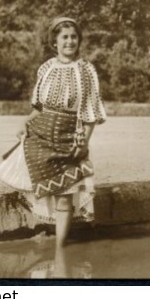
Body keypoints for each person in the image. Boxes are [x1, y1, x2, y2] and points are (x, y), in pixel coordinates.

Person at [19, 16, 106, 250]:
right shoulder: (46, 68)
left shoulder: (87, 70)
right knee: (38, 187)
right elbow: (37, 107)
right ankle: (48, 240)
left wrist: (84, 143)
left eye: (74, 37)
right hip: (41, 136)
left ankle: (60, 251)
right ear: (54, 42)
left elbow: (91, 112)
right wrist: (25, 124)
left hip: (70, 137)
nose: (70, 41)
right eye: (64, 37)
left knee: (66, 194)